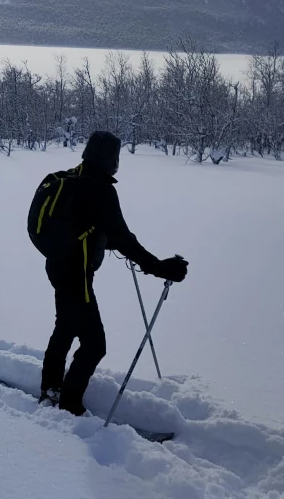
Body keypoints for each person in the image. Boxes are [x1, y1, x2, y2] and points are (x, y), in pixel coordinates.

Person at [32, 131, 188, 416]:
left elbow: (92, 226)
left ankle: (50, 390)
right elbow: (122, 237)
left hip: (57, 265)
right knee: (94, 344)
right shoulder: (100, 189)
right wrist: (159, 267)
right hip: (76, 274)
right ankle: (68, 404)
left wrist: (109, 241)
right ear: (111, 159)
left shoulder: (73, 176)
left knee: (65, 328)